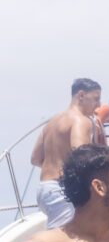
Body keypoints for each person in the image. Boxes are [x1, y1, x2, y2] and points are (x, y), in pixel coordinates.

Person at [31, 78, 102, 228]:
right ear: (81, 95)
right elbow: (82, 157)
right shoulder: (81, 121)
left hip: (44, 189)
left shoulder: (51, 122)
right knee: (64, 241)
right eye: (96, 99)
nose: (99, 105)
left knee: (60, 237)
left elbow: (35, 159)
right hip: (63, 190)